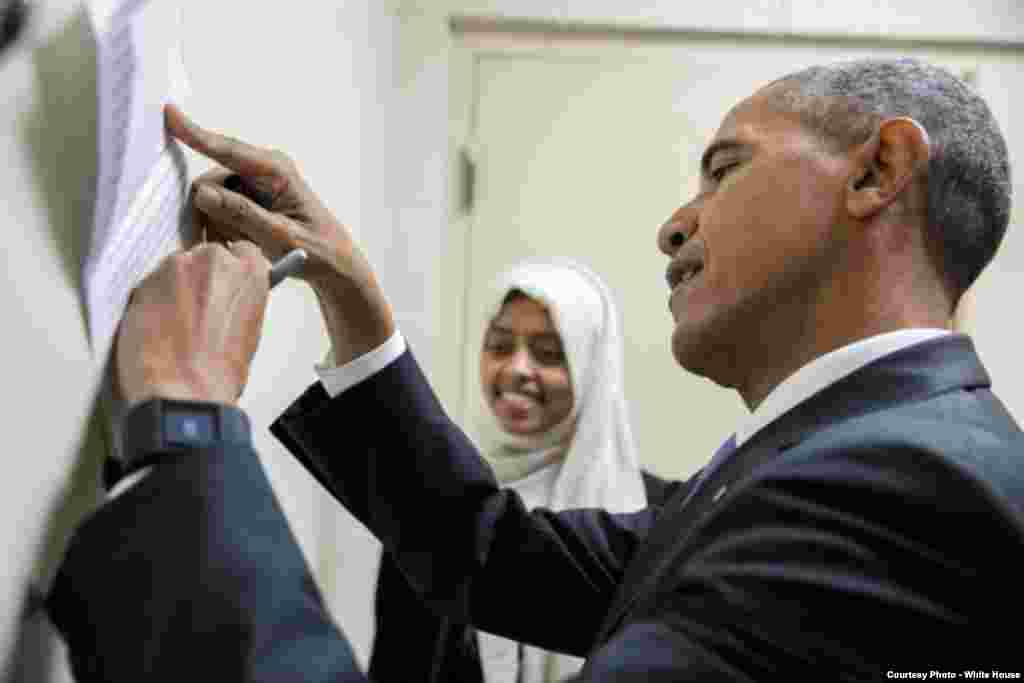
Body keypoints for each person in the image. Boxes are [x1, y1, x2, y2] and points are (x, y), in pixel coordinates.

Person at [48, 56, 1024, 680]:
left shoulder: (904, 490)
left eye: (724, 168)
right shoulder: (851, 458)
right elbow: (491, 554)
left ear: (876, 171)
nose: (675, 222)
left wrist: (186, 424)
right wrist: (354, 299)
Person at [369, 258, 675, 683]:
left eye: (549, 353)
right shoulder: (439, 508)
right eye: (499, 345)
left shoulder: (656, 517)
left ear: (591, 368)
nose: (516, 370)